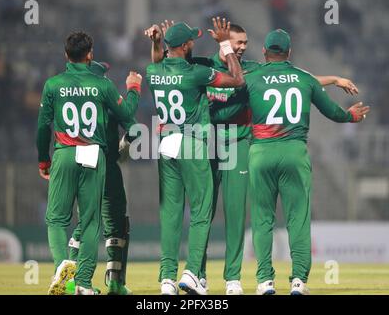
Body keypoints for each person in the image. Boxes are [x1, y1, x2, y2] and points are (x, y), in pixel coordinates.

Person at [145, 21, 359, 295]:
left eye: (246, 43)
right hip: (207, 142)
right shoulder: (200, 66)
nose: (243, 47)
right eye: (238, 42)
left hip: (239, 142)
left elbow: (295, 79)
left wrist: (334, 79)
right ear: (224, 42)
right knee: (204, 213)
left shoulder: (254, 69)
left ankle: (232, 279)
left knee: (235, 213)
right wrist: (156, 43)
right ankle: (197, 273)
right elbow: (164, 66)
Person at [245, 29, 369, 295]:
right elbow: (332, 112)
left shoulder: (252, 77)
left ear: (264, 53)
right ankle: (299, 281)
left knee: (262, 219)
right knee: (298, 219)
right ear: (289, 53)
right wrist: (350, 117)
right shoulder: (304, 79)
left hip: (261, 153)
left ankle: (265, 281)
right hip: (294, 151)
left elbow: (233, 102)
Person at [146, 17, 245, 295]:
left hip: (166, 143)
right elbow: (238, 80)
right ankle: (191, 272)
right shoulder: (196, 74)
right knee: (201, 211)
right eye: (191, 40)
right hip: (192, 141)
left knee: (170, 214)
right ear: (186, 45)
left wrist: (158, 42)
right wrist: (225, 44)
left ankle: (167, 279)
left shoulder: (152, 72)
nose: (194, 42)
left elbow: (157, 60)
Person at [36, 32, 141, 295]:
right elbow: (129, 118)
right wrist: (134, 90)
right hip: (94, 155)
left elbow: (42, 127)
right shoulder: (102, 86)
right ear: (90, 53)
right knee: (92, 222)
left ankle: (62, 269)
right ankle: (83, 283)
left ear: (65, 55)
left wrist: (43, 159)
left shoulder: (53, 84)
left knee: (57, 220)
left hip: (64, 152)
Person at [65, 61, 136, 295]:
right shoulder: (106, 96)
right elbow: (132, 125)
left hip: (80, 164)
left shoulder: (71, 99)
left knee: (85, 223)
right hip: (106, 166)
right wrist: (134, 90)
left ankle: (71, 281)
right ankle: (115, 282)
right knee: (116, 224)